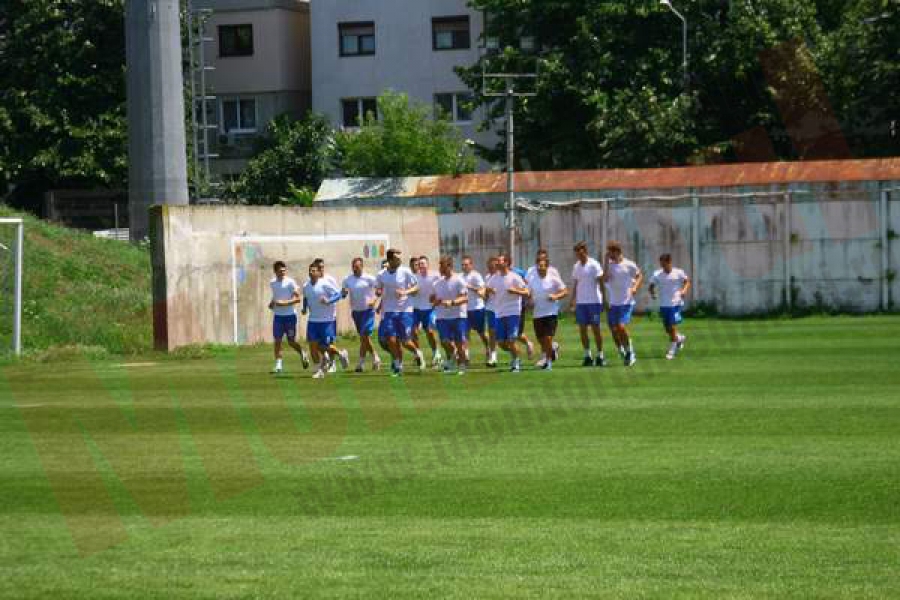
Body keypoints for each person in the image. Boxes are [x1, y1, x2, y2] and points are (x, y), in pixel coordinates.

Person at [376, 248, 424, 376]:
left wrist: (405, 292)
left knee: (405, 341)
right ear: (390, 260)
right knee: (391, 340)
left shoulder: (405, 271)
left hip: (405, 311)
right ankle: (398, 366)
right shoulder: (381, 275)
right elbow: (378, 288)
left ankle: (417, 353)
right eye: (397, 258)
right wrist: (378, 292)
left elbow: (416, 288)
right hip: (389, 311)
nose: (400, 260)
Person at [303, 262, 350, 379]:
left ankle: (340, 353)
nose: (311, 272)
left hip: (326, 320)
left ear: (319, 273)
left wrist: (328, 301)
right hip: (313, 320)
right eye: (310, 270)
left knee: (325, 345)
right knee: (313, 345)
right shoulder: (306, 286)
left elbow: (338, 294)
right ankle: (318, 369)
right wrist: (304, 308)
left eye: (314, 271)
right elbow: (305, 297)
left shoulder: (325, 284)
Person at [485, 253, 530, 372]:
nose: (497, 263)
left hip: (513, 312)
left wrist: (515, 290)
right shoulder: (495, 277)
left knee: (511, 339)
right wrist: (488, 290)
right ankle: (517, 354)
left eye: (500, 261)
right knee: (500, 342)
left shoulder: (514, 277)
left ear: (506, 263)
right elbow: (487, 288)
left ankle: (515, 364)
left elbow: (527, 292)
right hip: (499, 313)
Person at [602, 241, 643, 367]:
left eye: (611, 252)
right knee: (614, 330)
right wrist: (605, 262)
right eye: (608, 253)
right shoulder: (609, 265)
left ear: (618, 252)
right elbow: (604, 279)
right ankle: (622, 351)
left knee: (621, 327)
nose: (610, 255)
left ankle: (630, 353)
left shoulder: (629, 264)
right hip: (614, 303)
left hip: (626, 302)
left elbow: (639, 275)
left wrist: (635, 287)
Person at [267, 261, 310, 374]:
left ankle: (302, 352)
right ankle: (278, 365)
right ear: (275, 271)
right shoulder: (272, 283)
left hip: (290, 316)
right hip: (278, 317)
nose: (283, 272)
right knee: (277, 340)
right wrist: (272, 303)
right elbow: (276, 295)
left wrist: (283, 303)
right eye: (280, 271)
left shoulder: (290, 282)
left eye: (284, 270)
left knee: (291, 341)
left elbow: (297, 299)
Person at [569, 241, 606, 367]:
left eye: (579, 252)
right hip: (581, 303)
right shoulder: (576, 266)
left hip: (594, 302)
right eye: (576, 253)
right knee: (582, 330)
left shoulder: (594, 264)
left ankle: (600, 355)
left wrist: (604, 300)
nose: (578, 255)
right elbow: (576, 283)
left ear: (584, 250)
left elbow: (601, 283)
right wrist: (573, 300)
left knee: (596, 329)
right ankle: (587, 355)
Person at [431, 256, 469, 375]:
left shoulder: (459, 280)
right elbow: (432, 298)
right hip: (442, 317)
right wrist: (434, 300)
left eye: (442, 265)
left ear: (449, 266)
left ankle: (461, 366)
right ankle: (453, 357)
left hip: (458, 316)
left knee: (459, 343)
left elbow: (465, 298)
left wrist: (452, 302)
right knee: (444, 341)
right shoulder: (437, 283)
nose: (440, 268)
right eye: (440, 265)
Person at [528, 257, 568, 370]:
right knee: (541, 340)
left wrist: (555, 296)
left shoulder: (553, 278)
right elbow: (528, 292)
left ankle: (548, 363)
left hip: (550, 313)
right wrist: (529, 300)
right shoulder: (532, 279)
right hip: (537, 314)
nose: (540, 268)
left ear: (547, 267)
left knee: (548, 338)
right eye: (538, 266)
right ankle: (552, 349)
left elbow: (565, 291)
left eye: (542, 266)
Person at [342, 257, 382, 372]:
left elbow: (379, 290)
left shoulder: (369, 278)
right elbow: (344, 293)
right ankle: (375, 357)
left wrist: (374, 300)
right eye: (353, 267)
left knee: (364, 335)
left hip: (368, 311)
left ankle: (361, 363)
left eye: (357, 267)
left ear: (362, 266)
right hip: (356, 312)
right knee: (364, 338)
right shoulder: (347, 279)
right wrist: (343, 293)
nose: (355, 269)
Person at [649, 253, 691, 360]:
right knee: (668, 329)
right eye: (661, 263)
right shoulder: (657, 274)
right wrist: (653, 293)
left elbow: (687, 281)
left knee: (672, 326)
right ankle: (679, 338)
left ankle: (672, 350)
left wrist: (684, 290)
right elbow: (651, 286)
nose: (662, 266)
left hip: (675, 303)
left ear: (669, 262)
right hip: (664, 305)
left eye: (664, 263)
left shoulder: (678, 272)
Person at [412, 256, 442, 368]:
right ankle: (418, 354)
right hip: (417, 309)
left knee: (429, 331)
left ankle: (436, 353)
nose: (421, 266)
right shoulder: (415, 277)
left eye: (423, 263)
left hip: (429, 309)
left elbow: (441, 286)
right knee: (412, 332)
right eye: (419, 264)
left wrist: (435, 296)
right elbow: (412, 291)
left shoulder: (435, 276)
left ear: (428, 265)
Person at [504, 254, 536, 360]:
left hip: (518, 306)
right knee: (509, 335)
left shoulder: (519, 273)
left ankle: (527, 344)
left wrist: (530, 299)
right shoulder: (499, 274)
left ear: (508, 262)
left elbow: (528, 285)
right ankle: (517, 352)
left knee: (516, 333)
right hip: (503, 308)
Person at [461, 255, 490, 364]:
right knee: (465, 333)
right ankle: (466, 355)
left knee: (482, 333)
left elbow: (482, 289)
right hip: (465, 309)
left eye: (466, 264)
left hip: (477, 308)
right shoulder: (461, 276)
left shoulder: (476, 275)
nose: (464, 266)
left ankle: (488, 349)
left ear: (471, 265)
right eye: (463, 265)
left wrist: (470, 287)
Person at [483, 256, 500, 367]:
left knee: (505, 336)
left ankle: (515, 354)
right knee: (492, 332)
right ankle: (493, 355)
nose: (490, 268)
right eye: (489, 266)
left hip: (502, 309)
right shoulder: (487, 277)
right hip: (490, 308)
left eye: (492, 266)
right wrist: (485, 293)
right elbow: (485, 296)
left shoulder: (501, 277)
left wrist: (493, 290)